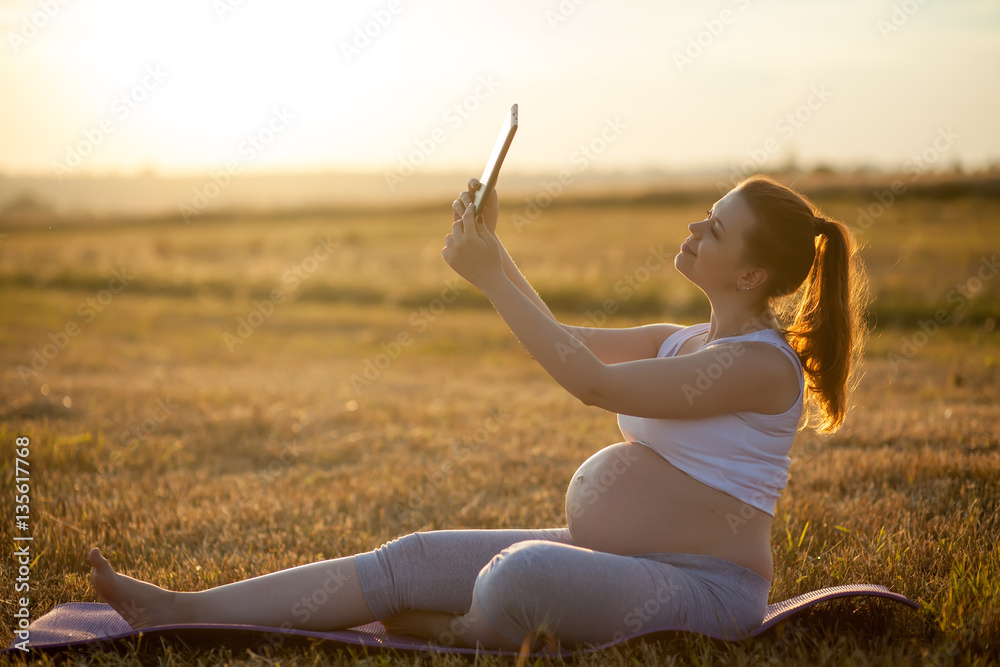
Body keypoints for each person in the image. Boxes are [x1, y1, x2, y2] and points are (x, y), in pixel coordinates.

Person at [88, 174, 867, 651]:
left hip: (701, 590)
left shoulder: (760, 366)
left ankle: (462, 632)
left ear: (753, 271)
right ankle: (182, 608)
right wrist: (492, 250)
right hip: (617, 559)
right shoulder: (684, 339)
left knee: (518, 578)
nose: (694, 229)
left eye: (716, 228)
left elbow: (590, 381)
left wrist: (492, 277)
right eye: (704, 213)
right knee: (412, 556)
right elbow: (564, 338)